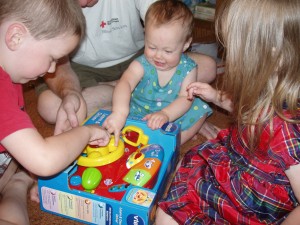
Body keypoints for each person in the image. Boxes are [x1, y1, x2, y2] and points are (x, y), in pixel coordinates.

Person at [156, 0, 300, 224]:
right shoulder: (266, 87)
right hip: (234, 164)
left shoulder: (287, 132)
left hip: (251, 204)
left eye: (236, 50)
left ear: (272, 58)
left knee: (169, 214)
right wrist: (215, 96)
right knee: (173, 205)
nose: (229, 57)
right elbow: (246, 108)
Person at [36, 0, 218, 139]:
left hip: (139, 56)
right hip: (83, 70)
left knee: (208, 67)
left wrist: (174, 113)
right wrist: (71, 92)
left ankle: (123, 95)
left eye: (167, 51)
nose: (83, 4)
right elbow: (52, 61)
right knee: (50, 106)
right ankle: (122, 93)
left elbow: (168, 24)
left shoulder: (156, 55)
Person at [0, 1, 111, 224]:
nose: (52, 69)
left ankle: (18, 182)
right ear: (16, 37)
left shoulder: (9, 73)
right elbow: (44, 160)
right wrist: (87, 133)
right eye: (51, 58)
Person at [103, 0, 212, 145]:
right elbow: (125, 83)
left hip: (173, 113)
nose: (158, 56)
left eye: (167, 51)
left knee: (199, 109)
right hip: (139, 112)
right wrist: (120, 112)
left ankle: (174, 143)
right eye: (152, 47)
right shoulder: (141, 64)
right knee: (117, 114)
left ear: (186, 44)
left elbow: (185, 98)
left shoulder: (189, 68)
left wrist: (166, 114)